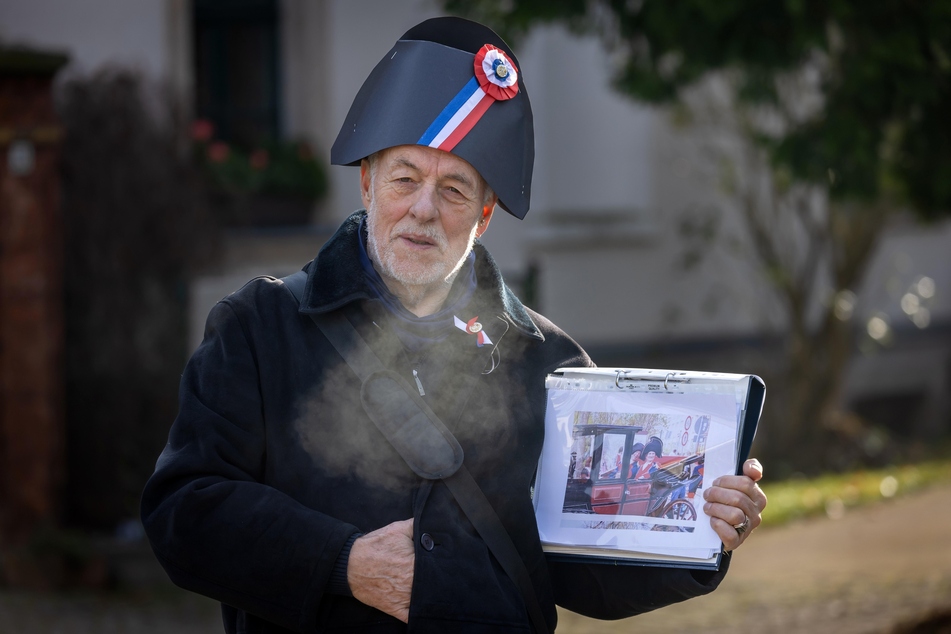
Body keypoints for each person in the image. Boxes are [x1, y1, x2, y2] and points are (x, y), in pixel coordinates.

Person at [140, 16, 767, 634]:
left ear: (485, 217)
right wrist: (341, 562)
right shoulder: (258, 329)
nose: (423, 210)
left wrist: (699, 533)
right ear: (367, 183)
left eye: (455, 190)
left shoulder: (547, 363)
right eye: (405, 178)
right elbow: (184, 513)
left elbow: (584, 565)